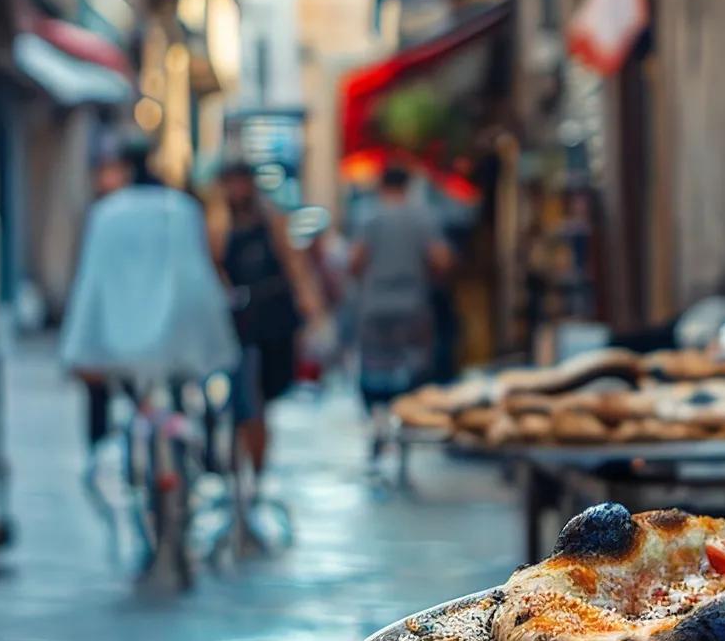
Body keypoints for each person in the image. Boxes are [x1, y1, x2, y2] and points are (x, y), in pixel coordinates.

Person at [60, 142, 239, 469]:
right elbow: (196, 274)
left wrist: (83, 339)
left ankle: (99, 453)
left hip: (121, 331)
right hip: (175, 329)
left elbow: (92, 280)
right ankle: (207, 456)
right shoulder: (181, 209)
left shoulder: (108, 213)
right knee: (190, 389)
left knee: (113, 393)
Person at [209, 161, 325, 486]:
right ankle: (244, 475)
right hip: (238, 325)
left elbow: (295, 265)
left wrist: (310, 308)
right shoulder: (218, 226)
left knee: (262, 399)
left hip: (273, 320)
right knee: (247, 400)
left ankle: (254, 474)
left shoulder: (271, 220)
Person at [348, 164, 452, 460]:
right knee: (410, 373)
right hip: (412, 307)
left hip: (374, 308)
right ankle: (404, 435)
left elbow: (354, 261)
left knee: (373, 371)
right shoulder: (423, 217)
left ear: (380, 185)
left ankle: (379, 427)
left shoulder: (367, 215)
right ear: (408, 185)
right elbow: (440, 259)